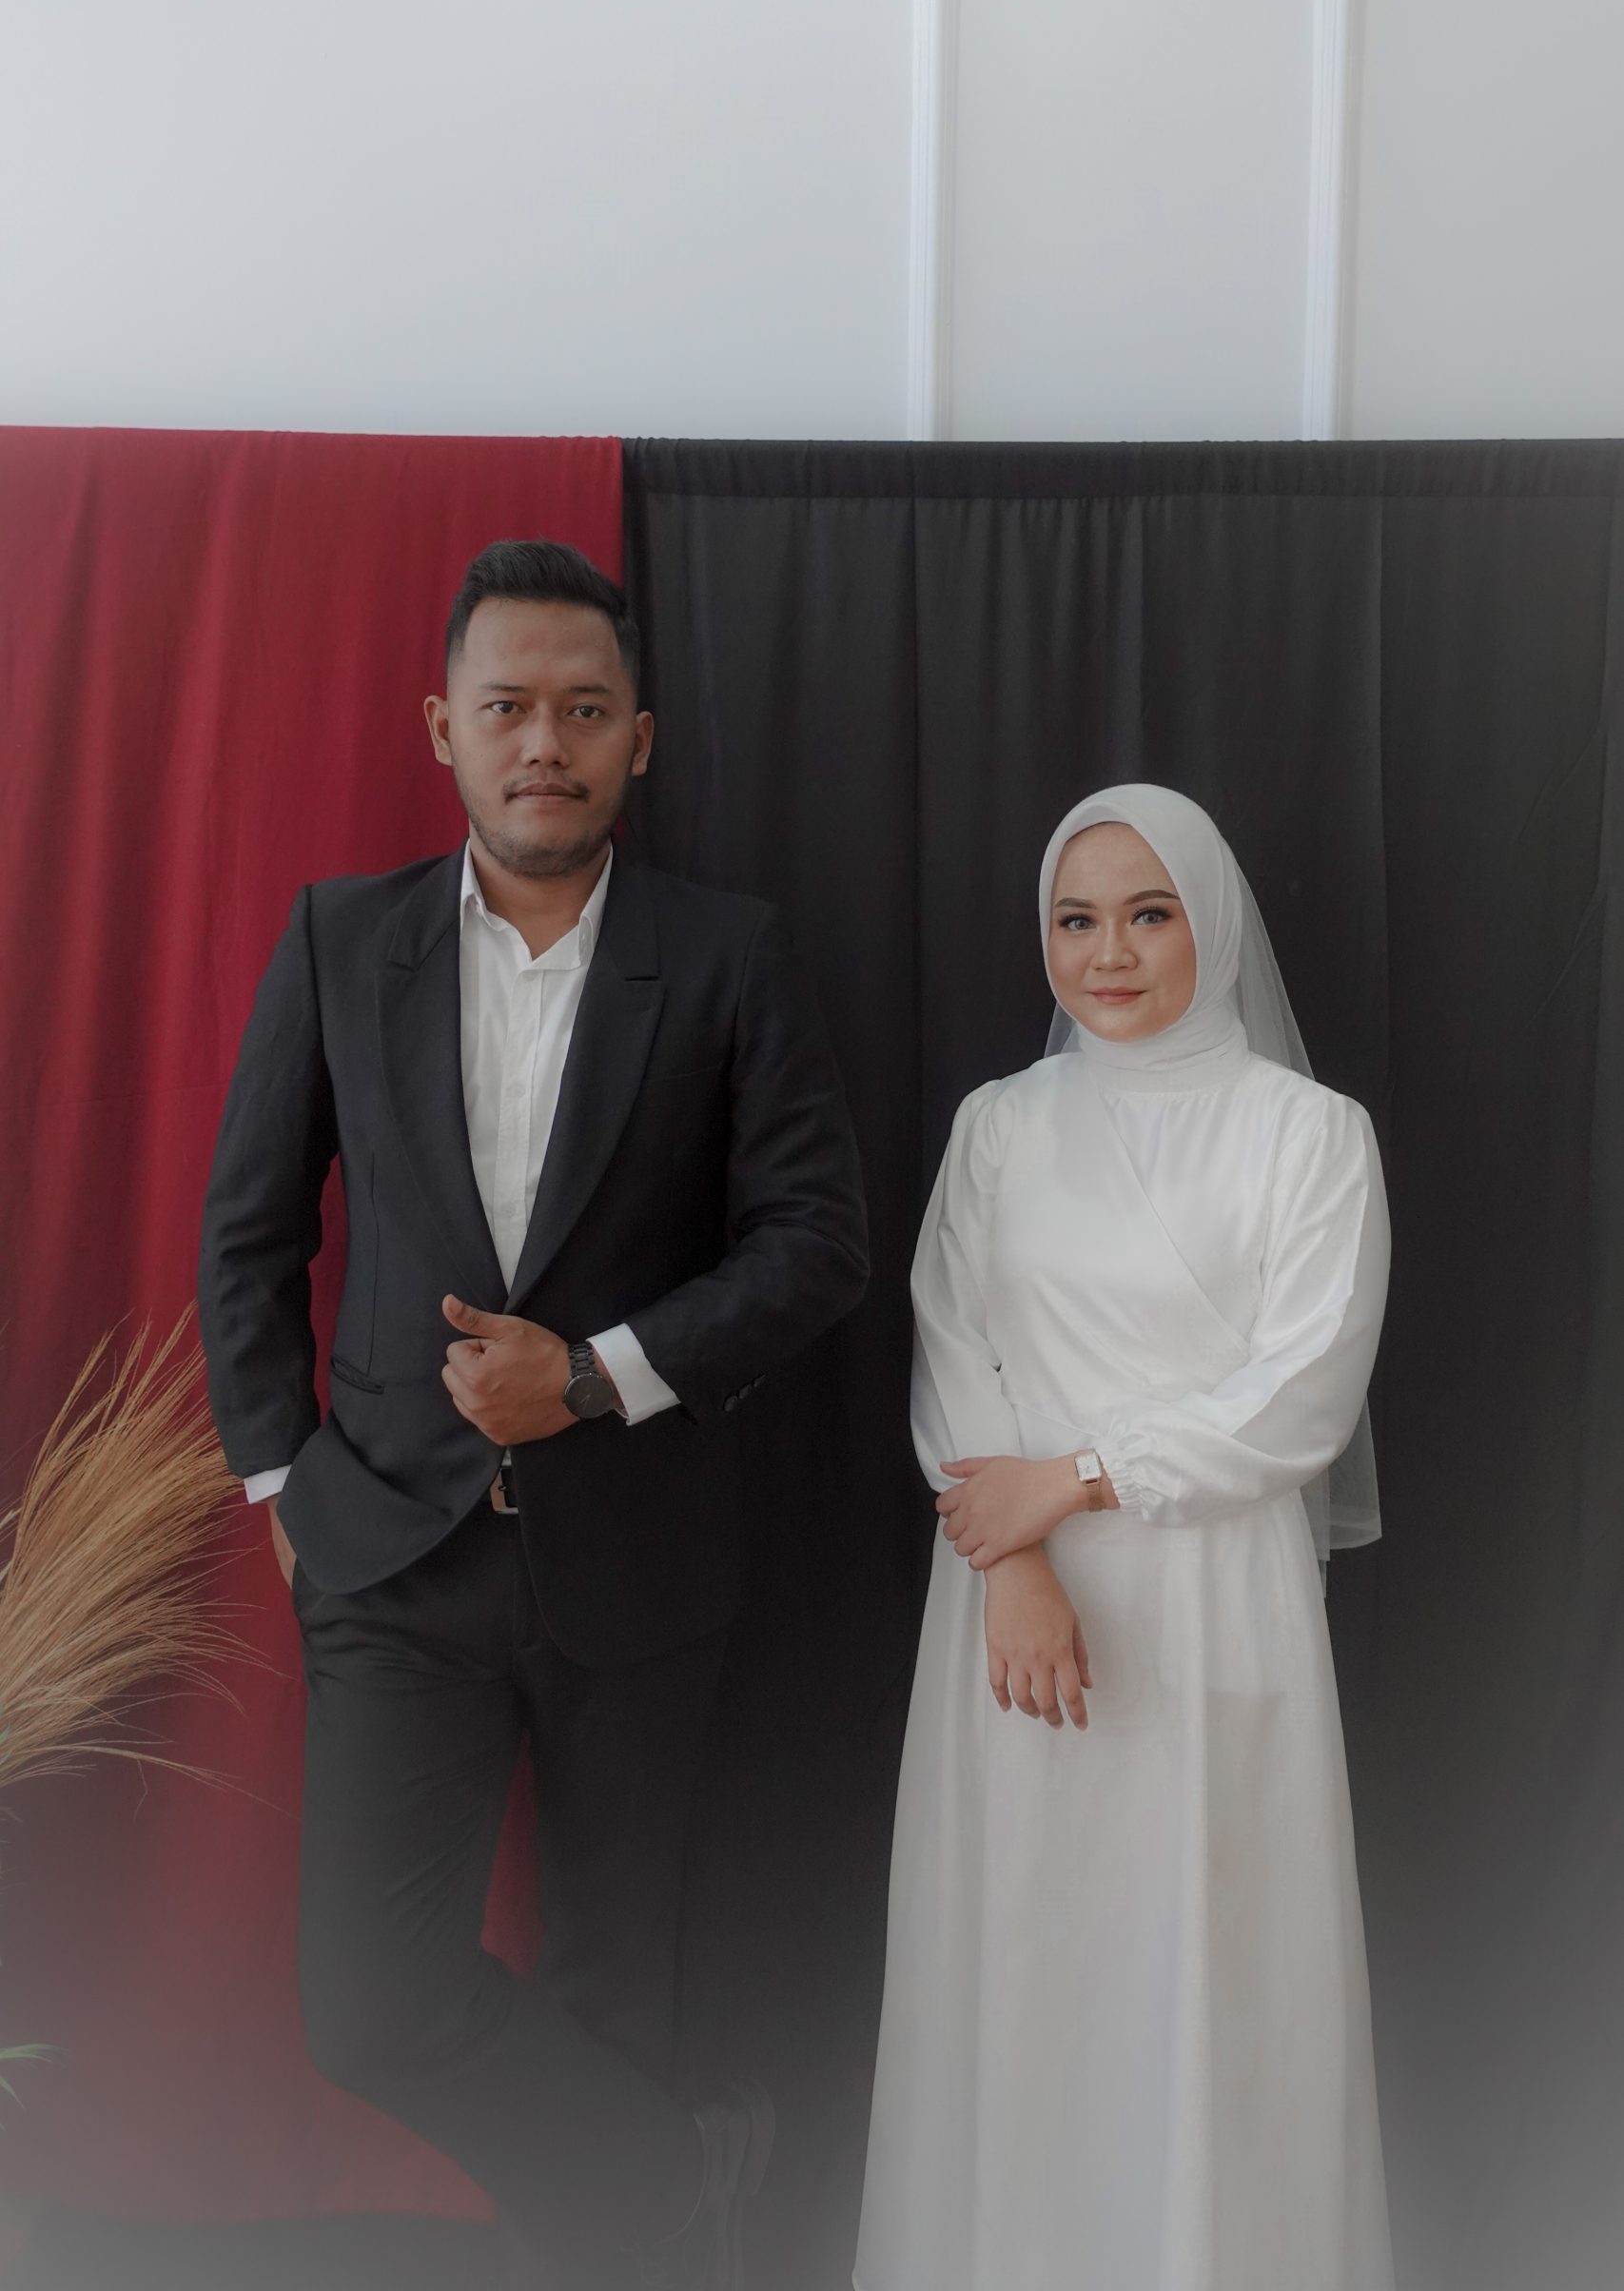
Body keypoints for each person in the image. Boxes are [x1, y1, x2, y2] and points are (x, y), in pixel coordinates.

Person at [198, 538, 869, 2291]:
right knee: (367, 2002)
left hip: (643, 1564)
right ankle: (686, 2176)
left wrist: (589, 1376)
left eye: (583, 709)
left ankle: (629, 2249)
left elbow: (818, 1241)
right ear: (447, 729)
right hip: (387, 1555)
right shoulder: (342, 940)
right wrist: (280, 1484)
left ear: (639, 735)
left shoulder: (729, 956)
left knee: (611, 1992)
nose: (544, 742)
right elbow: (251, 1233)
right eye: (507, 708)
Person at [855, 784, 1394, 2291]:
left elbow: (1302, 1392)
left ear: (1208, 921)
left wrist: (1079, 1479)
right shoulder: (1000, 1126)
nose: (1109, 954)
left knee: (1216, 1964)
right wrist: (1018, 1559)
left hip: (1218, 1604)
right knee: (1031, 1954)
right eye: (1076, 919)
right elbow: (953, 1349)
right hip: (1011, 1612)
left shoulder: (1309, 1135)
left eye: (1149, 915)